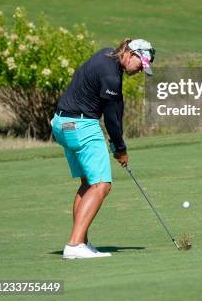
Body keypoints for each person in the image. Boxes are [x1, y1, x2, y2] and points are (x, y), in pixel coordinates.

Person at [51, 38, 155, 260]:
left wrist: (117, 144)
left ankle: (81, 241)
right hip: (82, 125)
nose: (139, 71)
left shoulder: (107, 56)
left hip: (63, 125)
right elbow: (111, 120)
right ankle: (75, 244)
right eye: (140, 64)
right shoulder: (110, 75)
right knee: (102, 185)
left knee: (89, 183)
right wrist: (120, 148)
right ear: (129, 53)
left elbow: (116, 106)